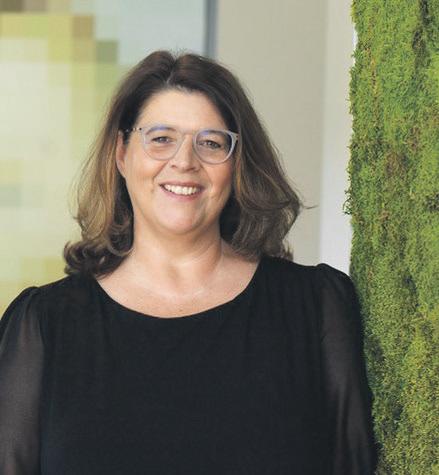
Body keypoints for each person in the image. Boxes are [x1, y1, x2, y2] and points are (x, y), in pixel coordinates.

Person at [0, 50, 378, 474]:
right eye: (161, 138)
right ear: (122, 153)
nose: (184, 161)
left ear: (236, 164)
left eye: (211, 143)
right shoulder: (43, 326)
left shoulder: (315, 307)